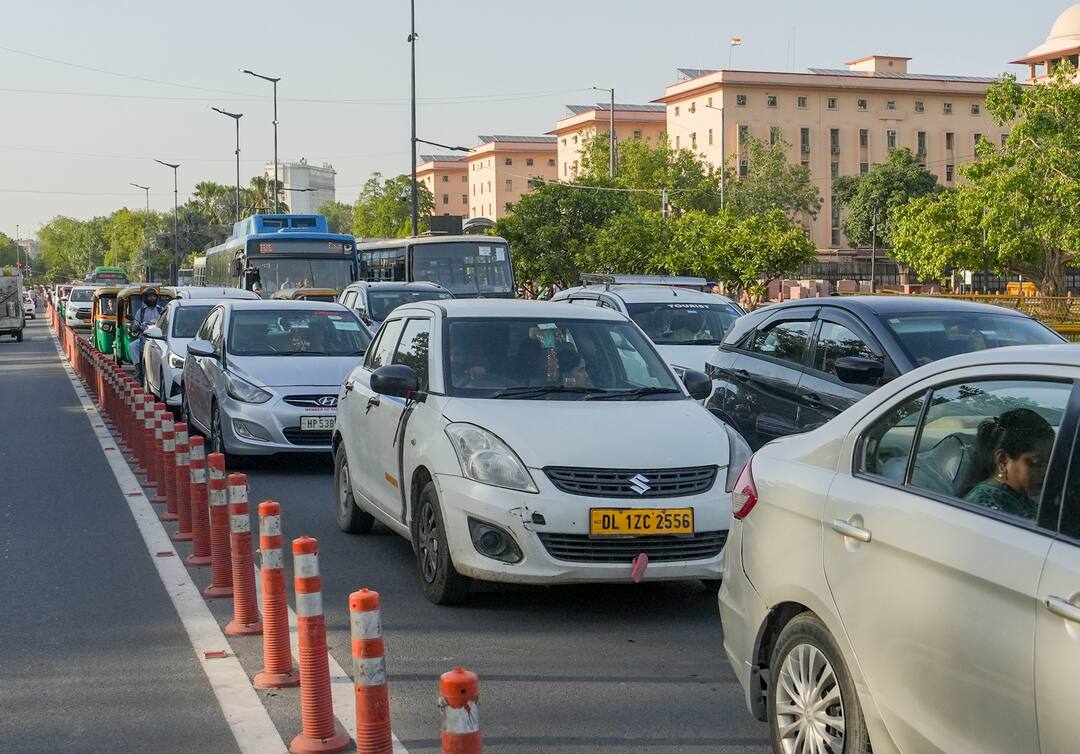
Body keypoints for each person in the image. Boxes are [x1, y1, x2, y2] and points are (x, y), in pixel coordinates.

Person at [963, 408, 1055, 520]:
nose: (1045, 472)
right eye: (1036, 462)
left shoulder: (1016, 495)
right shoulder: (984, 509)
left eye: (1049, 462)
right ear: (1002, 460)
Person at [130, 289, 163, 383]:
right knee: (133, 346)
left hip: (158, 337)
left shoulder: (161, 310)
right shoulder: (141, 312)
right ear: (145, 298)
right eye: (150, 296)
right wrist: (137, 326)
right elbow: (135, 324)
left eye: (154, 296)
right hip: (144, 336)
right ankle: (139, 369)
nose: (152, 298)